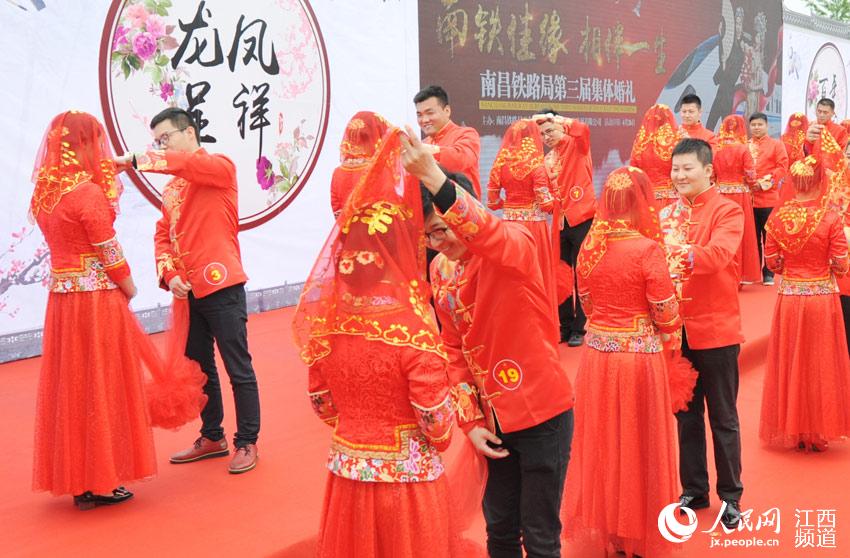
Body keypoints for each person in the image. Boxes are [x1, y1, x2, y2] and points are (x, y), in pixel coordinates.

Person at [402, 125, 574, 557]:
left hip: (542, 414)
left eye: (444, 229)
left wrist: (432, 176)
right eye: (431, 237)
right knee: (498, 530)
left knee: (539, 535)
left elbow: (485, 231)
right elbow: (453, 351)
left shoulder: (512, 245)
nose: (441, 242)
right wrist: (471, 423)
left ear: (466, 213)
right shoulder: (440, 270)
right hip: (493, 423)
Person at [293, 124, 457, 557]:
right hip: (406, 485)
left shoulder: (329, 322)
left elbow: (322, 402)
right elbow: (437, 426)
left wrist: (359, 429)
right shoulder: (414, 326)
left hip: (347, 473)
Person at [119, 108, 261, 474]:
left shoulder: (219, 167)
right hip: (189, 292)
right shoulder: (172, 190)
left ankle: (247, 440)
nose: (162, 145)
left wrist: (140, 159)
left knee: (237, 366)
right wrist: (170, 274)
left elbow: (187, 165)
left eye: (166, 138)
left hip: (222, 282)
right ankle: (212, 435)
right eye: (157, 142)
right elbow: (162, 237)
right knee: (200, 368)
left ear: (190, 132)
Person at [31, 111, 156, 509]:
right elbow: (107, 247)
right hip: (98, 300)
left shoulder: (45, 193)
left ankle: (79, 479)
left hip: (63, 302)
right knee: (104, 385)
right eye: (94, 143)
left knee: (74, 386)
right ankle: (102, 478)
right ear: (83, 145)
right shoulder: (87, 192)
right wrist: (130, 284)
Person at [563, 167, 684, 557]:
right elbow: (665, 312)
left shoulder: (591, 247)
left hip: (597, 357)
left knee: (605, 441)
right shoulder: (648, 249)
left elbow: (589, 305)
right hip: (637, 359)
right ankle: (637, 530)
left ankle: (612, 529)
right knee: (636, 443)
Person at [660, 138, 744, 529]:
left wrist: (670, 249)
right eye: (675, 169)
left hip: (717, 331)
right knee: (686, 416)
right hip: (676, 332)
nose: (679, 176)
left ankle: (731, 496)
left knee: (723, 417)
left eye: (687, 168)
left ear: (708, 169)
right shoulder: (665, 214)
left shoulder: (727, 210)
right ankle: (694, 488)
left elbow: (716, 257)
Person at [760, 155, 850, 452]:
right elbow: (841, 263)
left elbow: (773, 263)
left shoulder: (777, 217)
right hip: (822, 299)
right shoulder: (830, 217)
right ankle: (818, 429)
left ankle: (794, 427)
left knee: (792, 361)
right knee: (819, 362)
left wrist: (794, 271)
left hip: (790, 298)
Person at [487, 118, 559, 331]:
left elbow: (492, 201)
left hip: (508, 227)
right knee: (537, 278)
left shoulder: (501, 164)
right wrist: (558, 196)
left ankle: (512, 329)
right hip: (533, 228)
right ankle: (540, 329)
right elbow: (546, 205)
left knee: (511, 280)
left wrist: (509, 204)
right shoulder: (537, 166)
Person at [537, 109, 596, 347]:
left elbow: (583, 130)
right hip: (560, 222)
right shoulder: (547, 159)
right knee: (561, 274)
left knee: (581, 273)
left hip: (583, 217)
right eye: (542, 134)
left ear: (562, 127)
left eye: (550, 130)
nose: (547, 137)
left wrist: (561, 120)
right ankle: (564, 324)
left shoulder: (577, 145)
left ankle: (579, 329)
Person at [714, 114, 760, 284]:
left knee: (721, 233)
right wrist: (754, 184)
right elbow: (750, 174)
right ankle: (739, 275)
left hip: (720, 195)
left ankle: (723, 273)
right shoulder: (743, 149)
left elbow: (712, 175)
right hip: (740, 195)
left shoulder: (717, 149)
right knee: (741, 234)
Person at [414, 85, 481, 197]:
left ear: (447, 111)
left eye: (430, 113)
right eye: (419, 115)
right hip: (432, 210)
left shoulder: (467, 134)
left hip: (464, 209)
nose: (424, 120)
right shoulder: (425, 143)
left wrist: (425, 150)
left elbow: (461, 159)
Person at [750, 111, 790, 285]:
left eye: (760, 124)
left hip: (768, 198)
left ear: (767, 126)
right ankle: (753, 271)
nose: (756, 127)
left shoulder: (776, 145)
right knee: (752, 238)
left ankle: (769, 272)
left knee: (768, 237)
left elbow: (782, 167)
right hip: (749, 199)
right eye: (753, 125)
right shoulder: (745, 146)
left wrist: (765, 182)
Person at [329, 111, 389, 218]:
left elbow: (337, 213)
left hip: (346, 233)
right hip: (378, 232)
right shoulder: (382, 171)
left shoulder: (337, 173)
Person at [630, 103, 682, 205]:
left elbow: (633, 171)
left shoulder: (640, 143)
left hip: (647, 199)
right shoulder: (676, 141)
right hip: (671, 199)